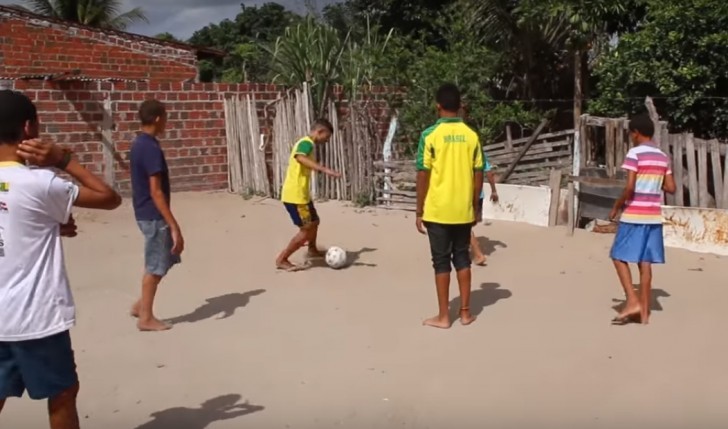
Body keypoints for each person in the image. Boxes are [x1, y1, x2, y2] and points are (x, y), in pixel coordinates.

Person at [0, 89, 121, 429]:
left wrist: (49, 225)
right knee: (63, 393)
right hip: (34, 318)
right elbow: (108, 198)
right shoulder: (40, 182)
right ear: (29, 129)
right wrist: (62, 159)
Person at [416, 83, 484, 329]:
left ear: (438, 106)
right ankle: (465, 313)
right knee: (463, 259)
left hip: (437, 210)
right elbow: (479, 172)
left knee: (441, 262)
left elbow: (422, 174)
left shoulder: (429, 135)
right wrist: (475, 205)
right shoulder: (471, 135)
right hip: (463, 211)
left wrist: (419, 210)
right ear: (459, 106)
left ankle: (444, 316)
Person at [609, 113, 675, 325]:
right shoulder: (662, 156)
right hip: (653, 216)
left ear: (636, 133)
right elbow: (671, 188)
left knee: (618, 256)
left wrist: (617, 206)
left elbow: (629, 187)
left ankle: (632, 301)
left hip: (634, 214)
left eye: (631, 133)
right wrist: (655, 181)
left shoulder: (634, 154)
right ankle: (644, 314)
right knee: (644, 263)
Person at [129, 99, 184, 332]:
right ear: (159, 118)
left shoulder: (139, 143)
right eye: (166, 117)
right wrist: (173, 225)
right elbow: (156, 191)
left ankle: (141, 305)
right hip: (153, 215)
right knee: (155, 265)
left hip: (145, 212)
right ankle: (146, 318)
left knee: (168, 257)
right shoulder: (150, 148)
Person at [276, 119, 341, 271]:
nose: (327, 140)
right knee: (306, 231)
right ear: (320, 131)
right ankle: (282, 259)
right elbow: (300, 157)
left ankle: (312, 250)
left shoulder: (308, 144)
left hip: (302, 195)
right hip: (295, 196)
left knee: (315, 222)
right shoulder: (306, 143)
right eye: (327, 136)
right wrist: (324, 169)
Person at [471, 155, 498, 266]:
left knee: (464, 225)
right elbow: (489, 174)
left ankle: (478, 254)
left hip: (465, 196)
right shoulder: (480, 155)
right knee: (469, 223)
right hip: (479, 196)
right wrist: (494, 191)